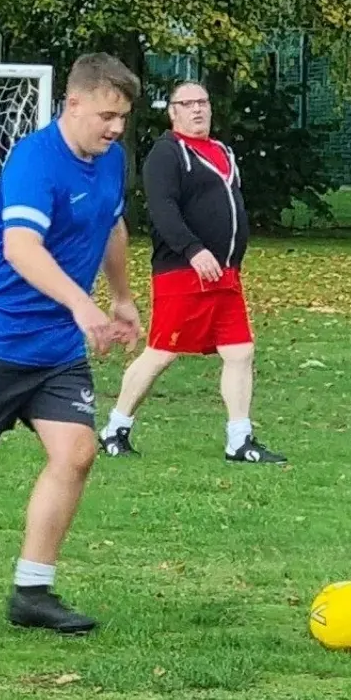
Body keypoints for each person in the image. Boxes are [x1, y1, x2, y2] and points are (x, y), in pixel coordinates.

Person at [0, 53, 143, 636]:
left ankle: (32, 590)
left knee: (77, 452)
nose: (116, 128)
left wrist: (120, 296)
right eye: (108, 115)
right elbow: (21, 248)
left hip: (55, 348)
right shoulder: (34, 161)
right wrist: (80, 303)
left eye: (124, 118)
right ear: (75, 103)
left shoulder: (111, 160)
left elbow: (112, 225)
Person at [99, 79, 285, 464]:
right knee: (163, 351)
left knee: (240, 351)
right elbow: (163, 210)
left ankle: (239, 438)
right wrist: (193, 250)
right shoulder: (168, 154)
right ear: (173, 112)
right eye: (187, 104)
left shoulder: (222, 152)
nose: (197, 109)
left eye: (203, 102)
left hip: (225, 275)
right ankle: (115, 427)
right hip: (182, 273)